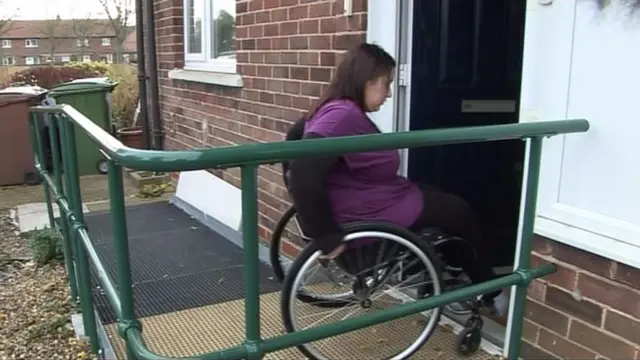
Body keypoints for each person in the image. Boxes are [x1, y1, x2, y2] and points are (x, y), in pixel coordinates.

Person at [283, 42, 509, 316]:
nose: (389, 93)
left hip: (375, 196)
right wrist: (325, 235)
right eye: (385, 83)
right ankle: (489, 291)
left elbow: (294, 138)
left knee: (440, 199)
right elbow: (303, 172)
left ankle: (454, 269)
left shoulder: (333, 108)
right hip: (369, 209)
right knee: (458, 211)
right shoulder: (341, 116)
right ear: (366, 80)